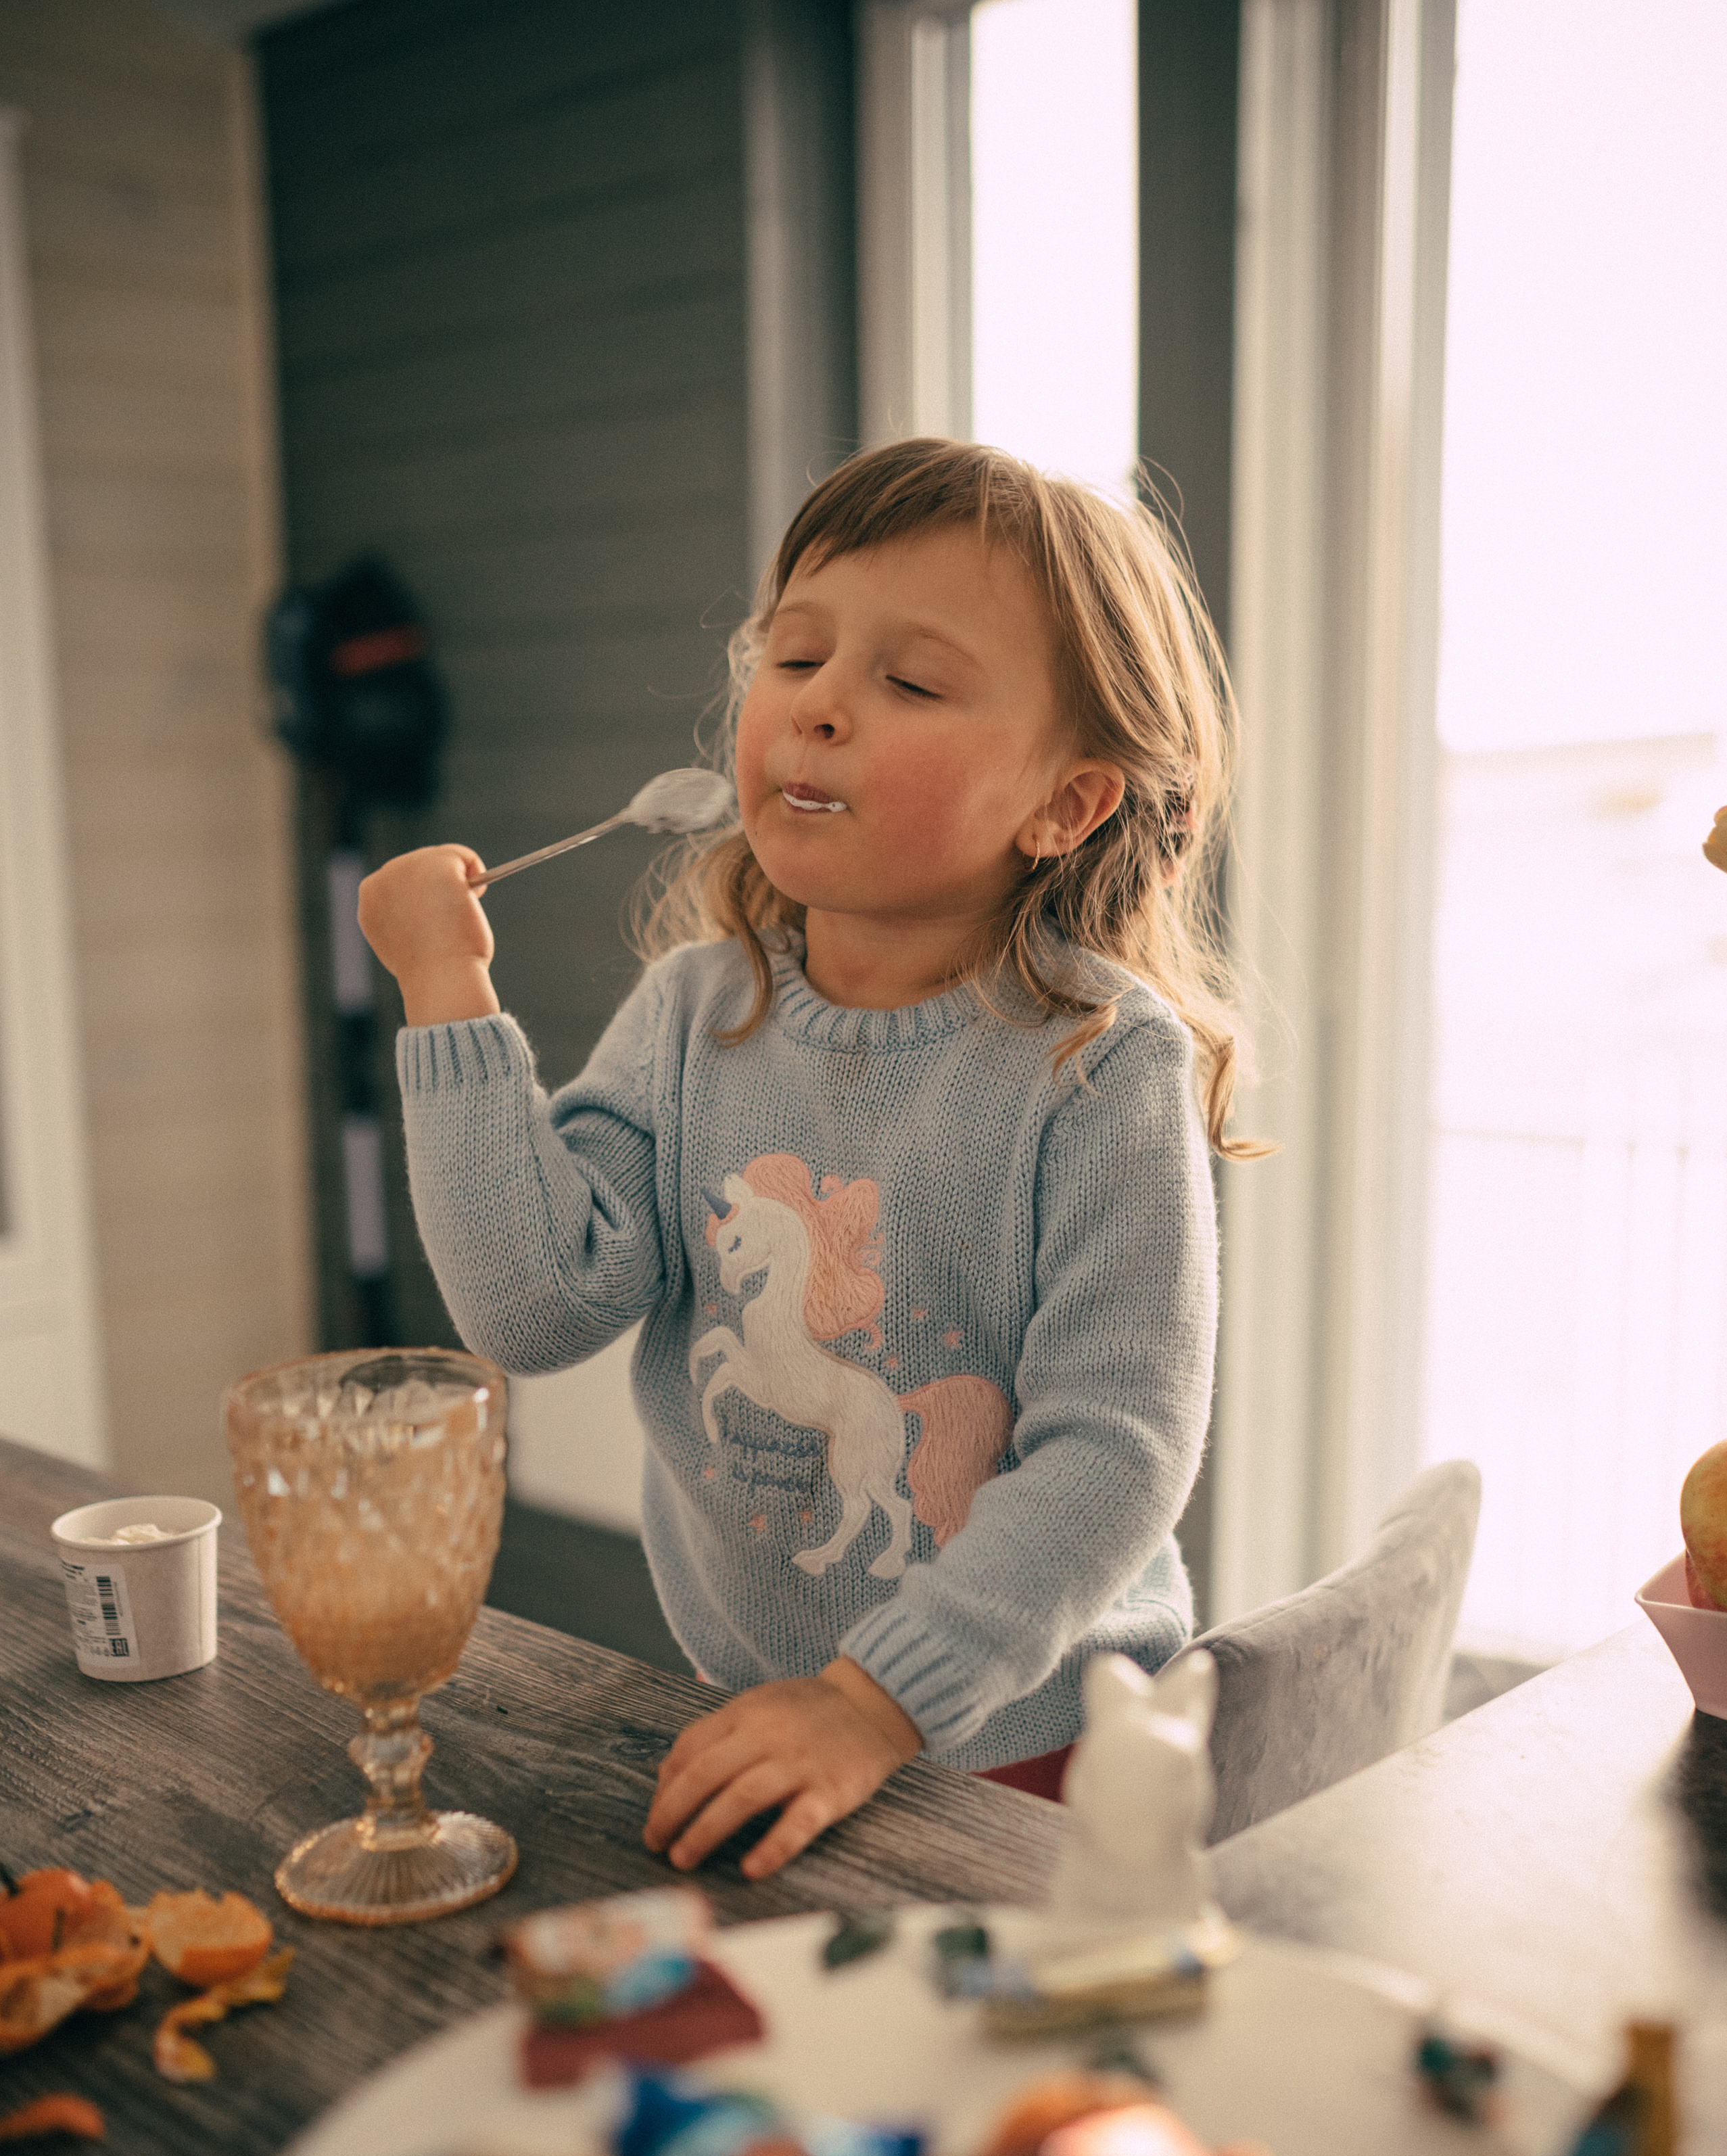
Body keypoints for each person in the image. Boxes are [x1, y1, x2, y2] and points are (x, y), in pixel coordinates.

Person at [358, 436, 1264, 1883]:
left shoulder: (1098, 1065)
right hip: (757, 1707)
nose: (819, 708)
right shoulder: (689, 1015)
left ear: (1065, 803)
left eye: (907, 683)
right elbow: (532, 1309)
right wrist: (445, 1002)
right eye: (790, 659)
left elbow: (1115, 1453)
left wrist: (872, 1702)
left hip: (1023, 1743)